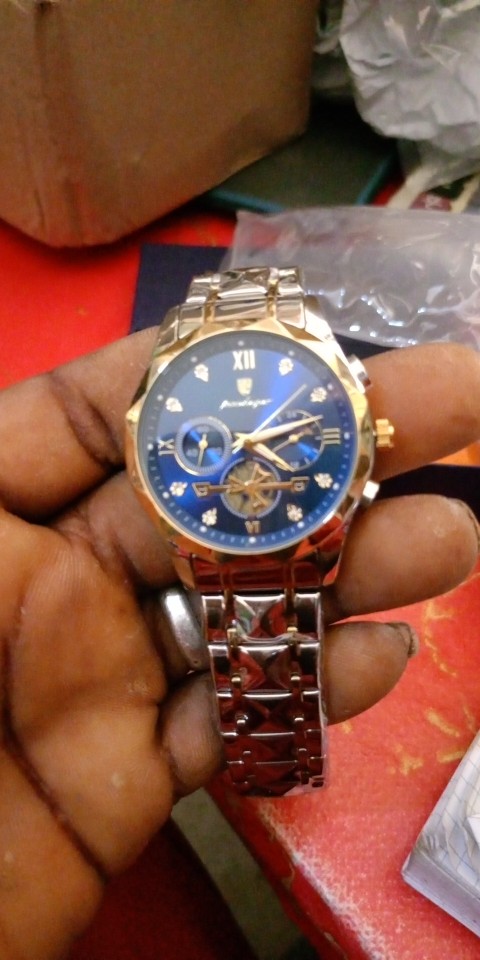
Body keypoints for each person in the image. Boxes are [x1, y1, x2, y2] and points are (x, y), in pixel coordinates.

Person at [0, 328, 479, 960]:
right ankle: (276, 761)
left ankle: (276, 760)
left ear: (368, 438)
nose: (248, 443)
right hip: (203, 540)